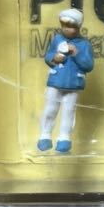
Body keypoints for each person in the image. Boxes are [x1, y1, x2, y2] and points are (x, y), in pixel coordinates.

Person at [37, 8, 95, 153]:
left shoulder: (84, 44)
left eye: (70, 26)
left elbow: (88, 65)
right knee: (50, 108)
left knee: (68, 112)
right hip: (56, 81)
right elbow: (48, 56)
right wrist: (54, 58)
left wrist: (76, 53)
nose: (66, 29)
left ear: (79, 27)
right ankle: (45, 135)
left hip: (73, 84)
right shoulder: (57, 39)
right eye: (64, 26)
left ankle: (64, 138)